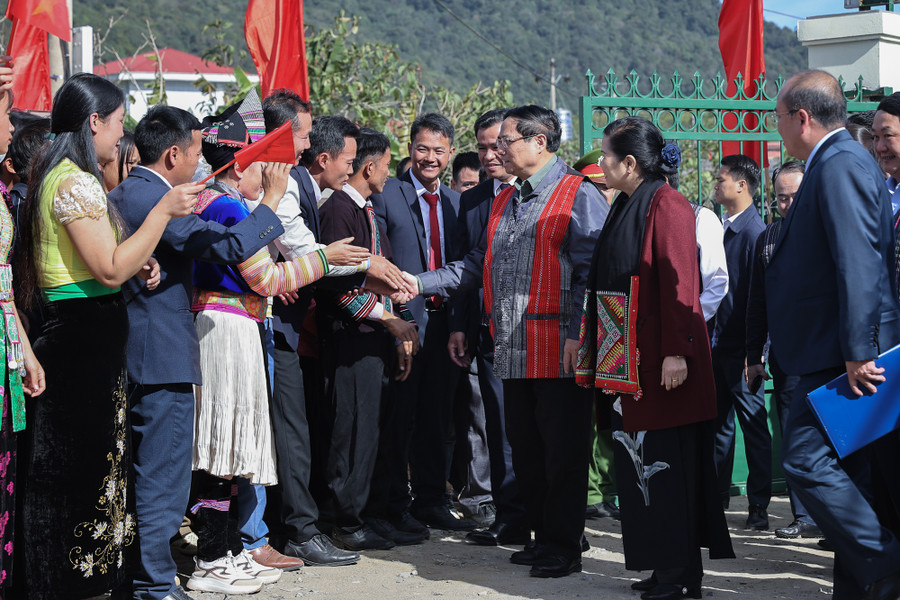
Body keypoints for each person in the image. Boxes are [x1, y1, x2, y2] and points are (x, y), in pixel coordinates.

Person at [13, 73, 197, 599]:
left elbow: (110, 261)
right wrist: (162, 212)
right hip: (79, 350)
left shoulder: (63, 174)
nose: (123, 137)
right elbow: (111, 269)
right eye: (118, 124)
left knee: (93, 476)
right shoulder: (74, 181)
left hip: (85, 344)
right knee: (76, 482)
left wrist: (144, 263)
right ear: (94, 121)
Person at [414, 105, 609, 577]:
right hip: (514, 348)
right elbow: (475, 264)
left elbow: (592, 273)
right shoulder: (506, 198)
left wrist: (576, 335)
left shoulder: (577, 194)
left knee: (563, 453)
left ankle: (563, 546)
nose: (498, 150)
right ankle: (542, 537)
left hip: (559, 351)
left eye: (507, 141)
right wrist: (417, 282)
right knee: (527, 451)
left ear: (539, 142)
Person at [187, 96, 367, 594]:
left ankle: (225, 549)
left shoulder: (212, 198)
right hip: (226, 331)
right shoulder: (225, 204)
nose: (272, 173)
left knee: (226, 448)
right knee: (224, 449)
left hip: (228, 327)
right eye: (263, 163)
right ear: (242, 163)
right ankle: (214, 555)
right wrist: (326, 262)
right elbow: (265, 277)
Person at [109, 104, 286, 600]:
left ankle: (146, 576)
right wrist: (271, 202)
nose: (200, 165)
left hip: (145, 347)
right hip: (159, 351)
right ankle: (156, 582)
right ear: (172, 154)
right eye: (193, 154)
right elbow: (228, 248)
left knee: (152, 471)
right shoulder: (153, 198)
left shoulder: (130, 191)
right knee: (162, 475)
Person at [577, 116, 733, 599]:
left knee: (666, 470)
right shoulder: (628, 203)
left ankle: (678, 574)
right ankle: (667, 568)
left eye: (606, 155)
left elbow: (681, 284)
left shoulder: (667, 204)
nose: (600, 163)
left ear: (629, 162)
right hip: (630, 365)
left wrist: (676, 354)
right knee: (641, 466)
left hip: (663, 368)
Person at [769, 69, 900, 600]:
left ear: (801, 118)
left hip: (845, 355)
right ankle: (866, 583)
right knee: (856, 472)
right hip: (836, 348)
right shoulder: (835, 161)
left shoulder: (840, 163)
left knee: (803, 458)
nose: (777, 128)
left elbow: (859, 263)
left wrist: (856, 351)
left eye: (778, 118)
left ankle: (884, 559)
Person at [316, 127, 421, 551]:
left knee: (373, 431)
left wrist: (399, 324)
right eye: (388, 164)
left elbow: (387, 276)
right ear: (371, 166)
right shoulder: (339, 210)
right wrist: (389, 321)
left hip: (373, 338)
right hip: (350, 340)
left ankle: (367, 511)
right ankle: (345, 517)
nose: (390, 174)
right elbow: (336, 285)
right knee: (351, 430)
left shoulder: (368, 210)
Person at [370, 112, 473, 533]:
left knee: (437, 416)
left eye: (438, 151)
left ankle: (432, 499)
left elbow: (465, 269)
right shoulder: (387, 194)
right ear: (410, 149)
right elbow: (378, 262)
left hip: (445, 323)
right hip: (404, 323)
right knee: (400, 416)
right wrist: (393, 323)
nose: (430, 158)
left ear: (450, 153)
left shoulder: (455, 202)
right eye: (422, 149)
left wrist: (459, 324)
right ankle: (394, 503)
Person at [449, 109, 529, 546]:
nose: (489, 154)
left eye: (497, 144)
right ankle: (509, 515)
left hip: (531, 333)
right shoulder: (474, 199)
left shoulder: (542, 193)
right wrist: (460, 325)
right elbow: (467, 268)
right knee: (496, 428)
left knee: (529, 429)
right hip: (486, 332)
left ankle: (548, 517)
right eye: (480, 146)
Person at [743, 161, 821, 540]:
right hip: (787, 360)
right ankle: (804, 515)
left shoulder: (828, 233)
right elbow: (757, 303)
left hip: (833, 359)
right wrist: (754, 356)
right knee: (793, 438)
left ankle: (836, 519)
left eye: (795, 196)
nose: (788, 205)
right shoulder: (768, 239)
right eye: (781, 199)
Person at [0, 88, 46, 598]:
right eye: (2, 112)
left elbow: (4, 286)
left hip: (6, 348)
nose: (10, 126)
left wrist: (25, 352)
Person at [710, 154, 771, 527]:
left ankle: (759, 506)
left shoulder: (754, 232)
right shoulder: (721, 226)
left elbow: (755, 299)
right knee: (718, 427)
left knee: (754, 429)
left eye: (721, 180)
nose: (716, 186)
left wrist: (755, 354)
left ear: (742, 185)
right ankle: (716, 500)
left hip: (740, 350)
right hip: (715, 346)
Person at [572, 148, 620, 521]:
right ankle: (588, 491)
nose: (601, 197)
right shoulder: (579, 222)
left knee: (611, 414)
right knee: (585, 416)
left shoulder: (624, 220)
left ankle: (606, 488)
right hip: (583, 329)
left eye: (606, 189)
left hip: (615, 332)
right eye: (594, 188)